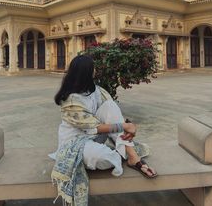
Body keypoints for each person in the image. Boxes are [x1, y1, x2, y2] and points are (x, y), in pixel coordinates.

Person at [50, 55, 157, 206]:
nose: (96, 70)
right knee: (106, 158)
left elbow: (113, 115)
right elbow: (96, 127)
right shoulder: (70, 99)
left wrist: (128, 125)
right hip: (75, 144)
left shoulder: (96, 91)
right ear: (87, 72)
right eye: (93, 68)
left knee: (110, 106)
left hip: (94, 137)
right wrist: (124, 127)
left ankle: (132, 157)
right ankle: (122, 151)